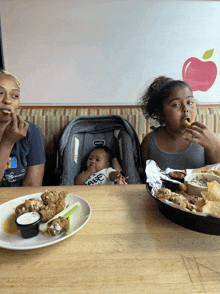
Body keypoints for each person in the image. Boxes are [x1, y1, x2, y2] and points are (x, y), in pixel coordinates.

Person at [140, 76, 220, 170]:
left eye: (189, 102)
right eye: (176, 105)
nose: (185, 109)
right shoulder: (150, 142)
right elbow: (141, 176)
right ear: (161, 113)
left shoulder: (204, 137)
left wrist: (215, 146)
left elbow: (216, 173)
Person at [0, 70, 45, 186]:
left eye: (14, 96)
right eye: (0, 93)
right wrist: (7, 143)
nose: (7, 100)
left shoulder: (32, 132)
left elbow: (32, 187)